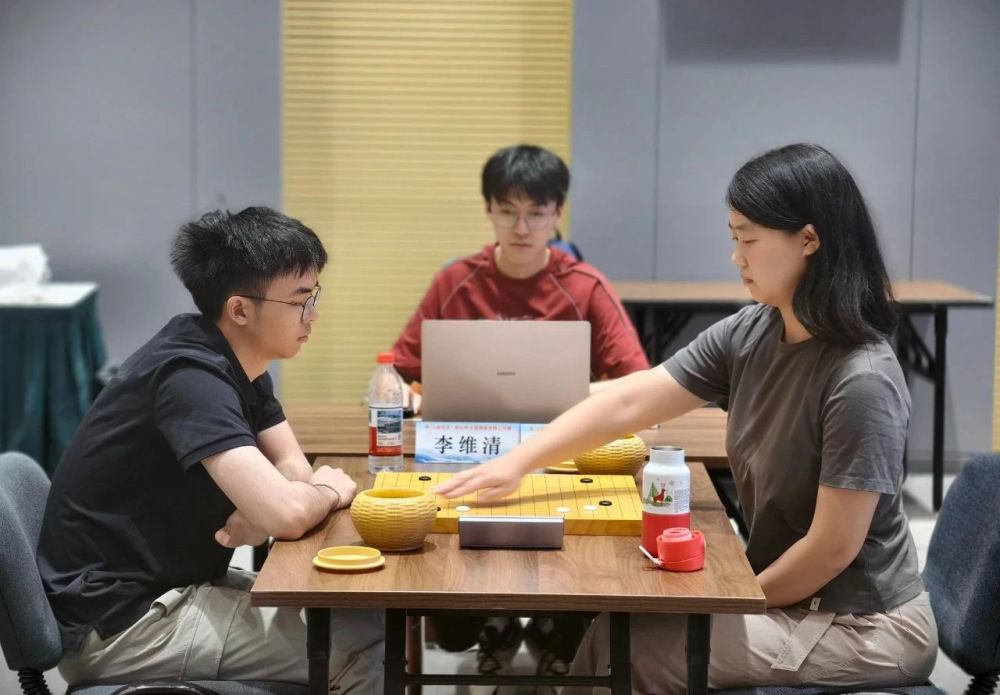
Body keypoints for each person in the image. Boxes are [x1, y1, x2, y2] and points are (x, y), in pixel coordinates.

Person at [435, 144, 938, 693]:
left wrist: (722, 604)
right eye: (734, 238)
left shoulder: (861, 380)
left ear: (809, 240)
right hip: (794, 597)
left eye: (748, 239)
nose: (736, 257)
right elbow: (629, 401)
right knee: (619, 630)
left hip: (861, 623)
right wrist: (518, 462)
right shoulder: (754, 330)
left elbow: (830, 550)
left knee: (632, 649)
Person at [37, 207, 383, 692]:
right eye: (300, 301)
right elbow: (291, 507)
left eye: (314, 296)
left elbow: (290, 468)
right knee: (360, 646)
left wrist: (270, 511)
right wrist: (324, 493)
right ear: (240, 310)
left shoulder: (238, 359)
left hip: (168, 590)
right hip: (124, 624)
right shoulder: (190, 379)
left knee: (364, 612)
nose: (314, 315)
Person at [390, 144, 650, 690]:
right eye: (508, 211)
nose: (522, 227)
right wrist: (408, 394)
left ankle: (557, 628)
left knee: (583, 552)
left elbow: (638, 384)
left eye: (537, 212)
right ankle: (491, 620)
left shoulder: (584, 285)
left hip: (563, 455)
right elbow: (397, 368)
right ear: (489, 210)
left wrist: (572, 395)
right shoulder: (455, 281)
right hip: (469, 448)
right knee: (447, 561)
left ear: (558, 213)